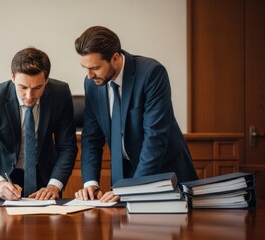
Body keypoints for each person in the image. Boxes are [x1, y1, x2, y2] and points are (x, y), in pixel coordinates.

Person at [73, 26, 198, 202]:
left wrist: (131, 189)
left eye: (95, 67)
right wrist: (90, 183)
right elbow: (91, 137)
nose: (89, 75)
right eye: (85, 67)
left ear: (115, 58)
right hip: (124, 176)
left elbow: (154, 137)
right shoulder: (92, 84)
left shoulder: (151, 74)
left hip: (164, 174)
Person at [0, 47, 78, 200]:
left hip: (44, 183)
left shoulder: (60, 94)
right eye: (23, 87)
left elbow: (67, 147)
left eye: (37, 88)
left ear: (46, 80)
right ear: (13, 77)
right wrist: (0, 184)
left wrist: (54, 184)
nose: (29, 96)